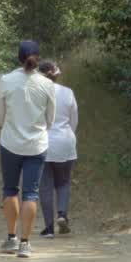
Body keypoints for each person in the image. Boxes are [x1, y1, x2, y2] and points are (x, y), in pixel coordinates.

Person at [0, 40, 56, 258]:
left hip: (10, 143)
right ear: (38, 58)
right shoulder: (47, 84)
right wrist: (37, 131)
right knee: (31, 193)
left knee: (10, 189)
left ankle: (11, 238)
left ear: (19, 58)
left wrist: (10, 129)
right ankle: (25, 243)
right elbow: (50, 119)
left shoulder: (6, 80)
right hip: (36, 145)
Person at [37, 61, 78, 238]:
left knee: (45, 186)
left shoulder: (35, 94)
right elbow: (73, 119)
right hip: (65, 141)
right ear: (57, 75)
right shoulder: (68, 92)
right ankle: (62, 214)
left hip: (42, 143)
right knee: (63, 182)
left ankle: (48, 228)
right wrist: (69, 135)